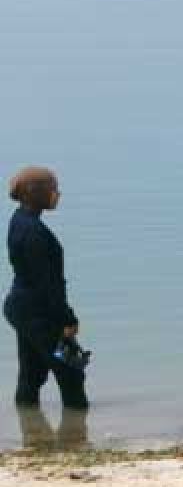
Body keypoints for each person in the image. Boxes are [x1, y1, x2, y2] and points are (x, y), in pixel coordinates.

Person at [4, 167, 88, 411]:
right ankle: (76, 437)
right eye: (53, 189)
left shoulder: (19, 219)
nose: (58, 193)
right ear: (37, 193)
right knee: (72, 370)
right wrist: (68, 319)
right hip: (38, 314)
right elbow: (48, 286)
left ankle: (29, 434)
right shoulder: (35, 233)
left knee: (31, 374)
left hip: (21, 308)